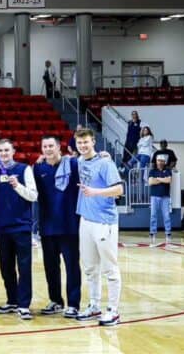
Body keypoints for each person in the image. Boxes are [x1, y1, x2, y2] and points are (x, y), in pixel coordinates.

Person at [74, 128, 123, 327]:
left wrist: (95, 192)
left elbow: (119, 189)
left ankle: (113, 310)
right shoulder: (79, 161)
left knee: (109, 269)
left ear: (93, 141)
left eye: (86, 142)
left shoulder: (105, 162)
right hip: (85, 221)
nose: (83, 145)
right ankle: (94, 305)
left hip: (104, 222)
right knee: (90, 268)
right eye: (79, 143)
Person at [33, 134, 81, 319]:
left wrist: (102, 156)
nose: (47, 149)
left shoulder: (73, 165)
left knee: (72, 266)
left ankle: (73, 304)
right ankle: (56, 301)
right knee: (51, 267)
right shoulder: (38, 168)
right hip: (47, 227)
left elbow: (88, 160)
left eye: (51, 146)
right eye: (44, 146)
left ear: (59, 147)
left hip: (69, 226)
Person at [0, 139, 38, 320]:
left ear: (13, 151)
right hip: (2, 227)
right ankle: (12, 300)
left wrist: (17, 186)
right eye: (0, 151)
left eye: (6, 150)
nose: (4, 154)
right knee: (6, 266)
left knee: (24, 266)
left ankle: (24, 305)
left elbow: (33, 196)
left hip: (21, 226)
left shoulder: (23, 169)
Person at [147, 156, 173, 247]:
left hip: (165, 197)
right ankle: (152, 232)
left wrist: (157, 179)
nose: (160, 162)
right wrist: (163, 180)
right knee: (153, 215)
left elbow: (169, 180)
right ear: (156, 161)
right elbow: (150, 182)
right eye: (159, 160)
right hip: (154, 196)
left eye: (162, 161)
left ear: (164, 162)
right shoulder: (152, 171)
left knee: (166, 216)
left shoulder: (168, 170)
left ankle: (168, 233)